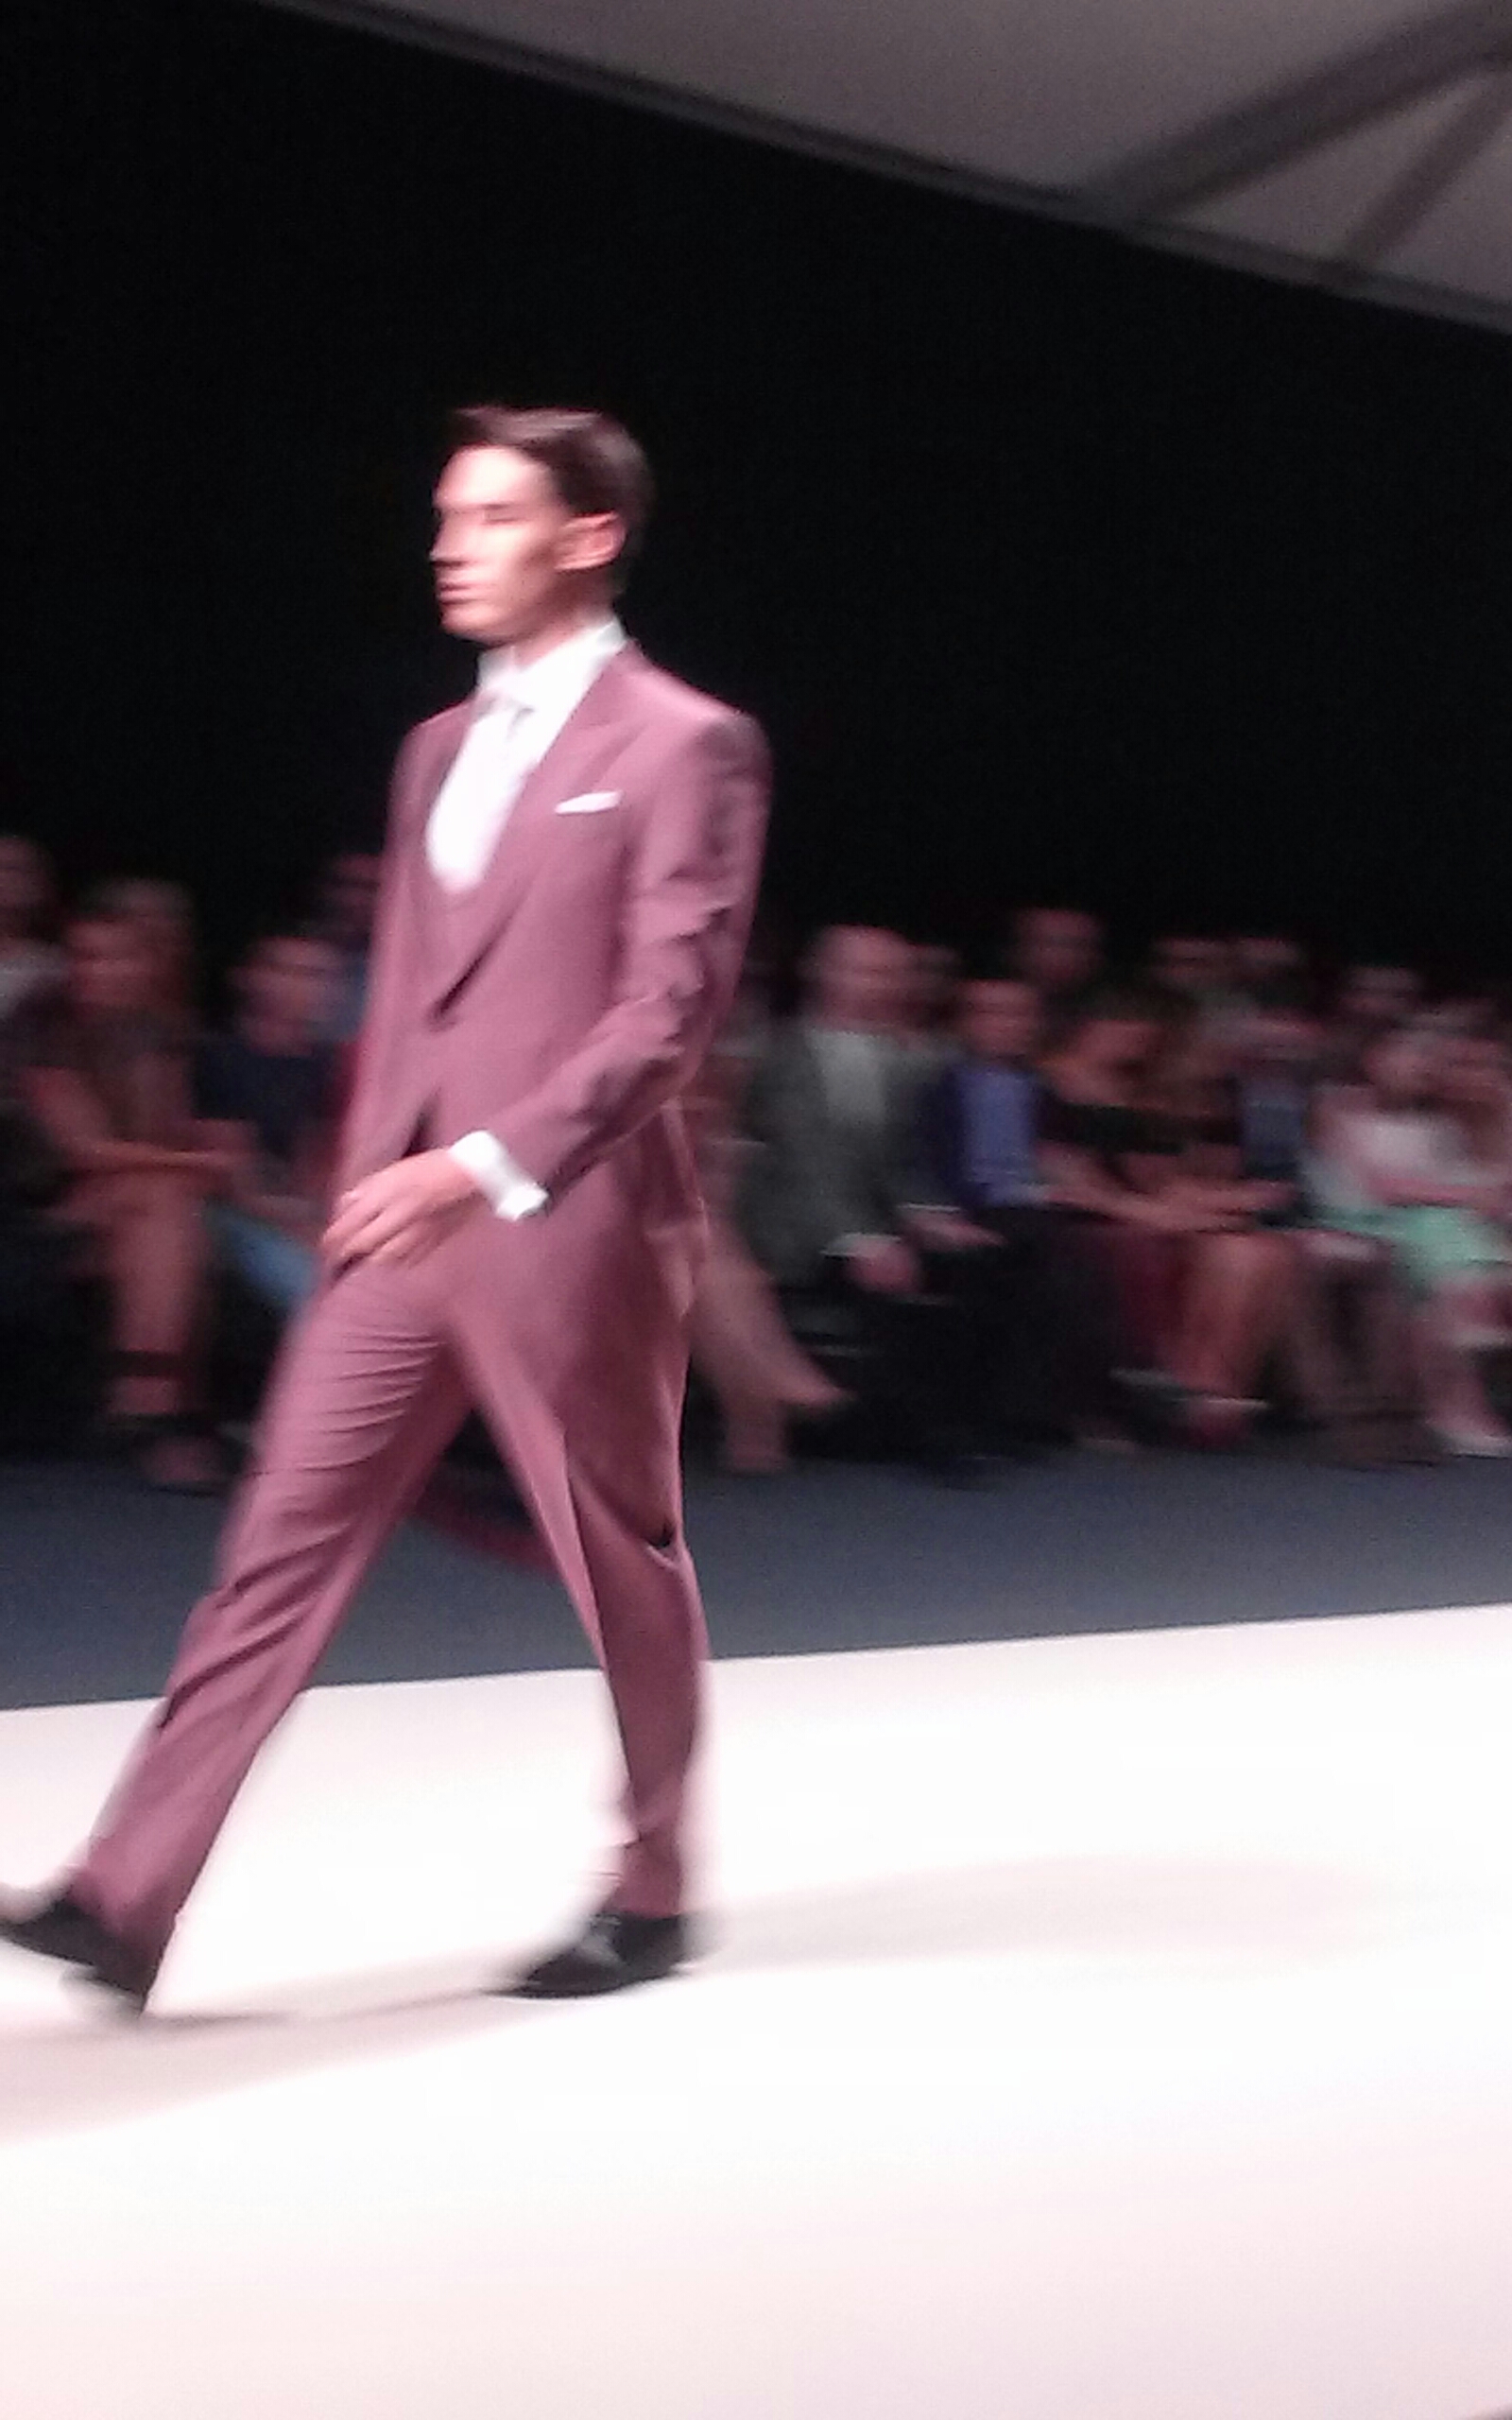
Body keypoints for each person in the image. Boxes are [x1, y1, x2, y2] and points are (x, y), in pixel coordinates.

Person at [0, 405, 769, 2010]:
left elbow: (668, 1013)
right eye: (446, 516)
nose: (448, 546)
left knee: (616, 1553)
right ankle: (125, 1896)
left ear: (589, 537)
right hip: (400, 1215)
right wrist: (375, 1172)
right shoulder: (432, 748)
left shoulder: (685, 742)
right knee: (276, 1544)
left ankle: (655, 1887)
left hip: (568, 1213)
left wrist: (482, 1162)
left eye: (490, 517)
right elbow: (417, 995)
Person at [16, 907, 233, 1489]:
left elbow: (162, 1136)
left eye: (117, 957)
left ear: (144, 967)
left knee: (164, 1216)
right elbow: (88, 1152)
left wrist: (195, 1149)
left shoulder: (156, 1038)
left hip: (128, 1205)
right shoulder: (41, 1036)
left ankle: (143, 1400)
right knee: (166, 1208)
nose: (101, 970)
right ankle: (158, 1406)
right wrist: (196, 1163)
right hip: (44, 1202)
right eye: (87, 956)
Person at [1311, 1026, 1512, 1455]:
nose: (1416, 1067)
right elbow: (1381, 1187)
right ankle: (1460, 1382)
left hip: (1425, 1223)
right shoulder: (1343, 1111)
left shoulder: (1437, 1125)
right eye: (1405, 1057)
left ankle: (1459, 1398)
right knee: (1439, 1241)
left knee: (1444, 1245)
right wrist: (1464, 1196)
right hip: (1361, 1221)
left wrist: (1474, 1199)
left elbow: (1464, 1185)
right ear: (1374, 1061)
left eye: (1422, 1060)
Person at [194, 928, 341, 1317]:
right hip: (228, 1212)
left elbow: (320, 1159)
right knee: (315, 1289)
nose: (305, 987)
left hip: (305, 1212)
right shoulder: (218, 1057)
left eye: (318, 975)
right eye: (289, 971)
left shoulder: (328, 1066)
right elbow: (230, 1179)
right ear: (249, 977)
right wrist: (307, 1228)